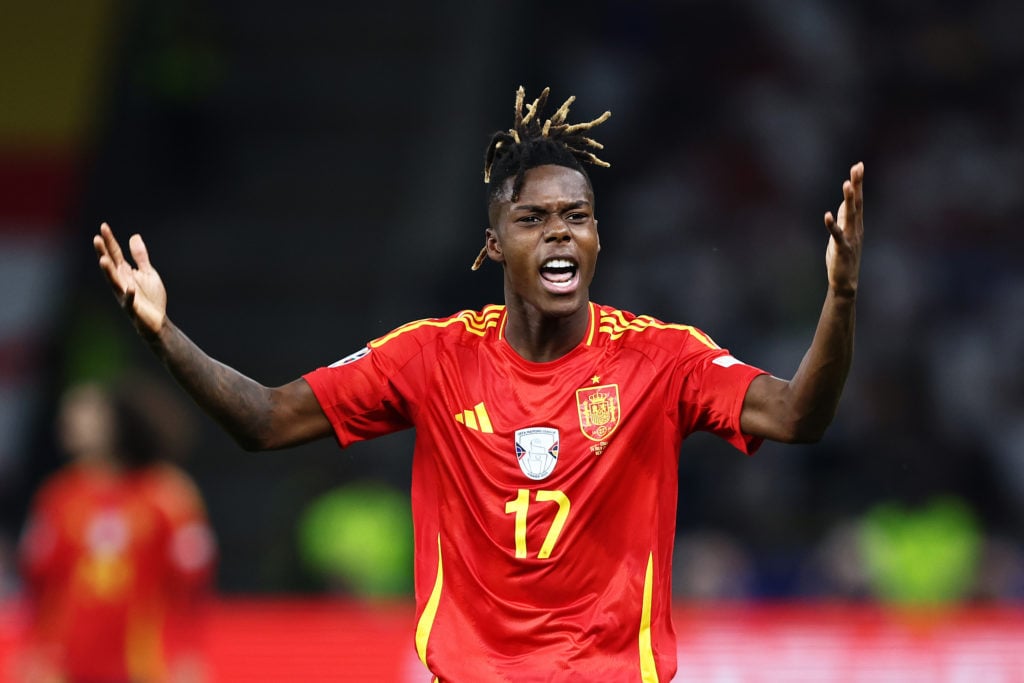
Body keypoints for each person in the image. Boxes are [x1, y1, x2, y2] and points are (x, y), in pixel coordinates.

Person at [93, 86, 863, 682]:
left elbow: (799, 415)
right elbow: (263, 418)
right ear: (495, 243)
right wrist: (164, 335)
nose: (561, 231)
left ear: (597, 235)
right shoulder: (432, 357)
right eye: (534, 218)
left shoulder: (660, 358)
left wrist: (842, 297)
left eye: (578, 216)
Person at [18, 380, 216, 683]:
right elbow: (40, 584)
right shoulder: (58, 495)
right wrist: (37, 652)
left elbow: (191, 587)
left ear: (117, 419)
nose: (68, 419)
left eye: (84, 411)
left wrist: (186, 655)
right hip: (68, 665)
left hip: (143, 666)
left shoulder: (167, 496)